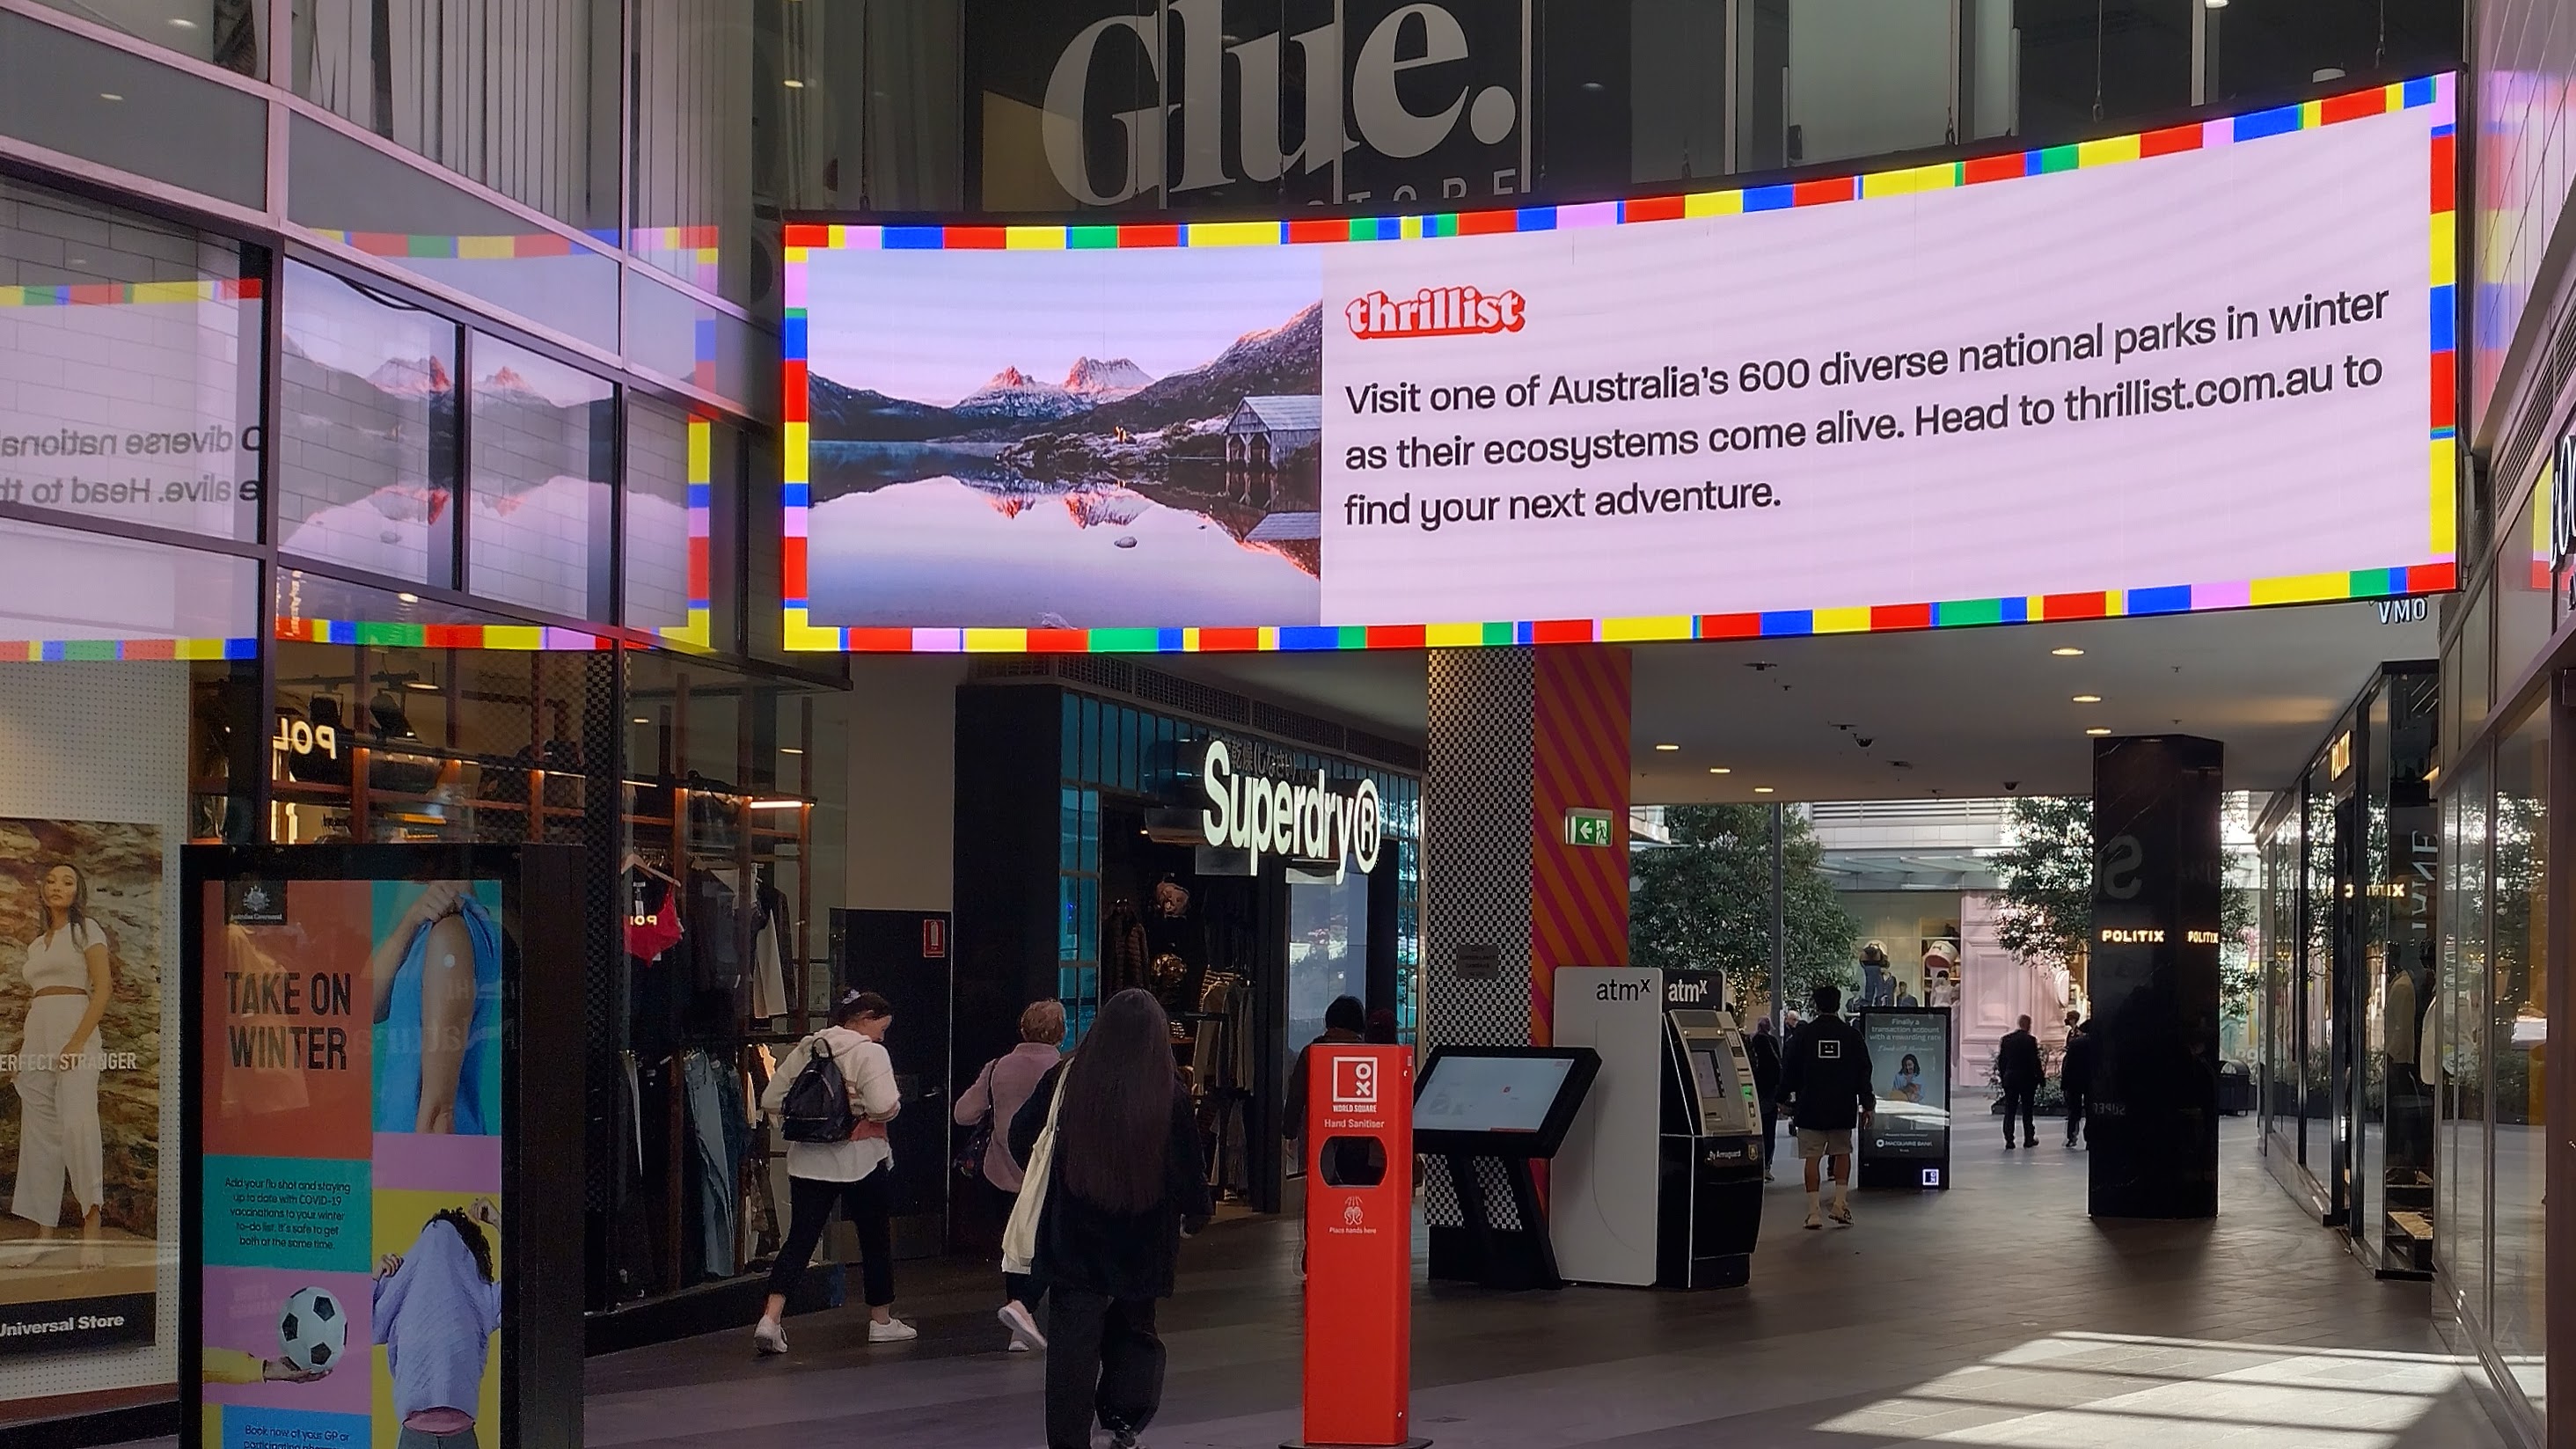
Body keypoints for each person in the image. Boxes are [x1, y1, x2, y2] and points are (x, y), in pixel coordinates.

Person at [1009, 988, 1210, 1449]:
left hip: (1074, 1237)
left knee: (1071, 1350)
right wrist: (1196, 1213)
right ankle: (1122, 1418)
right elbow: (1187, 1166)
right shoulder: (1168, 1090)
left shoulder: (1067, 1078)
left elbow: (1023, 1136)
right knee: (1135, 1332)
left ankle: (1067, 1440)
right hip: (1142, 1241)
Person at [753, 990, 910, 1355]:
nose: (882, 1036)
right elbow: (885, 1105)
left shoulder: (809, 1047)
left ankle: (771, 1319)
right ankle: (881, 1321)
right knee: (874, 1239)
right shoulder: (870, 1053)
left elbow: (771, 1099)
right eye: (881, 1027)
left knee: (800, 1239)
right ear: (864, 1018)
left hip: (807, 1160)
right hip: (861, 1160)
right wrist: (861, 1108)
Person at [10, 860, 113, 1268]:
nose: (57, 887)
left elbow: (102, 990)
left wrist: (76, 1041)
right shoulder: (37, 944)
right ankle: (44, 1233)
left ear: (77, 891)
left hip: (76, 1026)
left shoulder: (87, 931)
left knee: (77, 1123)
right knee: (39, 1133)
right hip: (38, 1032)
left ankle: (92, 1230)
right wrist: (23, 1053)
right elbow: (38, 1000)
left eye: (67, 881)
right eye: (51, 881)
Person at [955, 999, 1065, 1352]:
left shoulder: (997, 1067)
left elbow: (963, 1113)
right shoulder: (1064, 1069)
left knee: (1013, 1247)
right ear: (1061, 1033)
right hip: (1047, 1172)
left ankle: (1017, 1322)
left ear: (1022, 1029)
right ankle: (1031, 1313)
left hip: (1001, 1170)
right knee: (1049, 1242)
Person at [370, 882, 501, 1136]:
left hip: (425, 1157)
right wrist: (410, 920)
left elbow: (440, 1110)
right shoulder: (431, 927)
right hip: (409, 1151)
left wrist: (418, 1173)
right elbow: (368, 1008)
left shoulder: (450, 934)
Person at [372, 1198, 501, 1447]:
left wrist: (375, 1278)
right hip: (455, 1434)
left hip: (418, 1436)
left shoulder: (403, 1288)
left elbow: (365, 1323)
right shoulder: (480, 1296)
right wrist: (496, 1220)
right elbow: (526, 1282)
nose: (437, 1242)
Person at [1780, 984, 1874, 1229]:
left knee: (1812, 1158)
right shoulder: (1851, 1036)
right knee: (1842, 1153)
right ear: (1838, 1004)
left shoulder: (1803, 1035)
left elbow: (1789, 1069)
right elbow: (1864, 1071)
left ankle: (1813, 1213)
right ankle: (1840, 1206)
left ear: (1816, 1005)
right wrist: (1867, 1104)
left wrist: (1782, 1098)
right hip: (1842, 1106)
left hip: (1810, 1106)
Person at [1745, 1016, 1784, 1181]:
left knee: (1754, 1130)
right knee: (1768, 1131)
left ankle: (1752, 1164)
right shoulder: (1771, 1042)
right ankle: (1766, 1166)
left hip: (1751, 1091)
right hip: (1768, 1093)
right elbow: (1778, 1067)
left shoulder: (1750, 1041)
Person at [1997, 1014, 2042, 1149]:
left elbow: (2001, 1061)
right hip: (2027, 1080)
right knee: (2027, 1110)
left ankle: (2009, 1139)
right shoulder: (2030, 1040)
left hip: (2010, 1079)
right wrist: (2041, 1078)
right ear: (2028, 1025)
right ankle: (2028, 1138)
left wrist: (2004, 1076)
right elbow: (2035, 1061)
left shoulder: (2006, 1039)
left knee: (2010, 1110)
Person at [2060, 1015, 2098, 1148]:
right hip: (2091, 1082)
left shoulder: (2075, 1044)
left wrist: (2064, 1083)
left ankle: (2072, 1136)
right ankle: (2090, 1139)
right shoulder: (2098, 1044)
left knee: (2074, 1111)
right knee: (2090, 1111)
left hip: (2074, 1082)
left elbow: (2067, 1065)